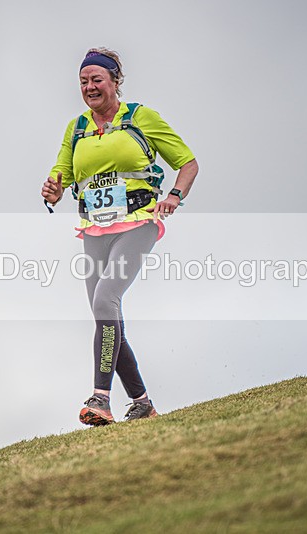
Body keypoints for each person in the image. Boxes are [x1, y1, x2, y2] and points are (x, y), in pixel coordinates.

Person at [41, 47, 198, 426]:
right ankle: (142, 402)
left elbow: (188, 163)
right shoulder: (77, 127)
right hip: (94, 226)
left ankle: (101, 399)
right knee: (105, 312)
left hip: (138, 221)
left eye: (97, 79)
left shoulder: (141, 117)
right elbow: (62, 170)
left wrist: (174, 196)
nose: (90, 87)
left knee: (105, 299)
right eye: (83, 82)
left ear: (114, 82)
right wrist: (53, 189)